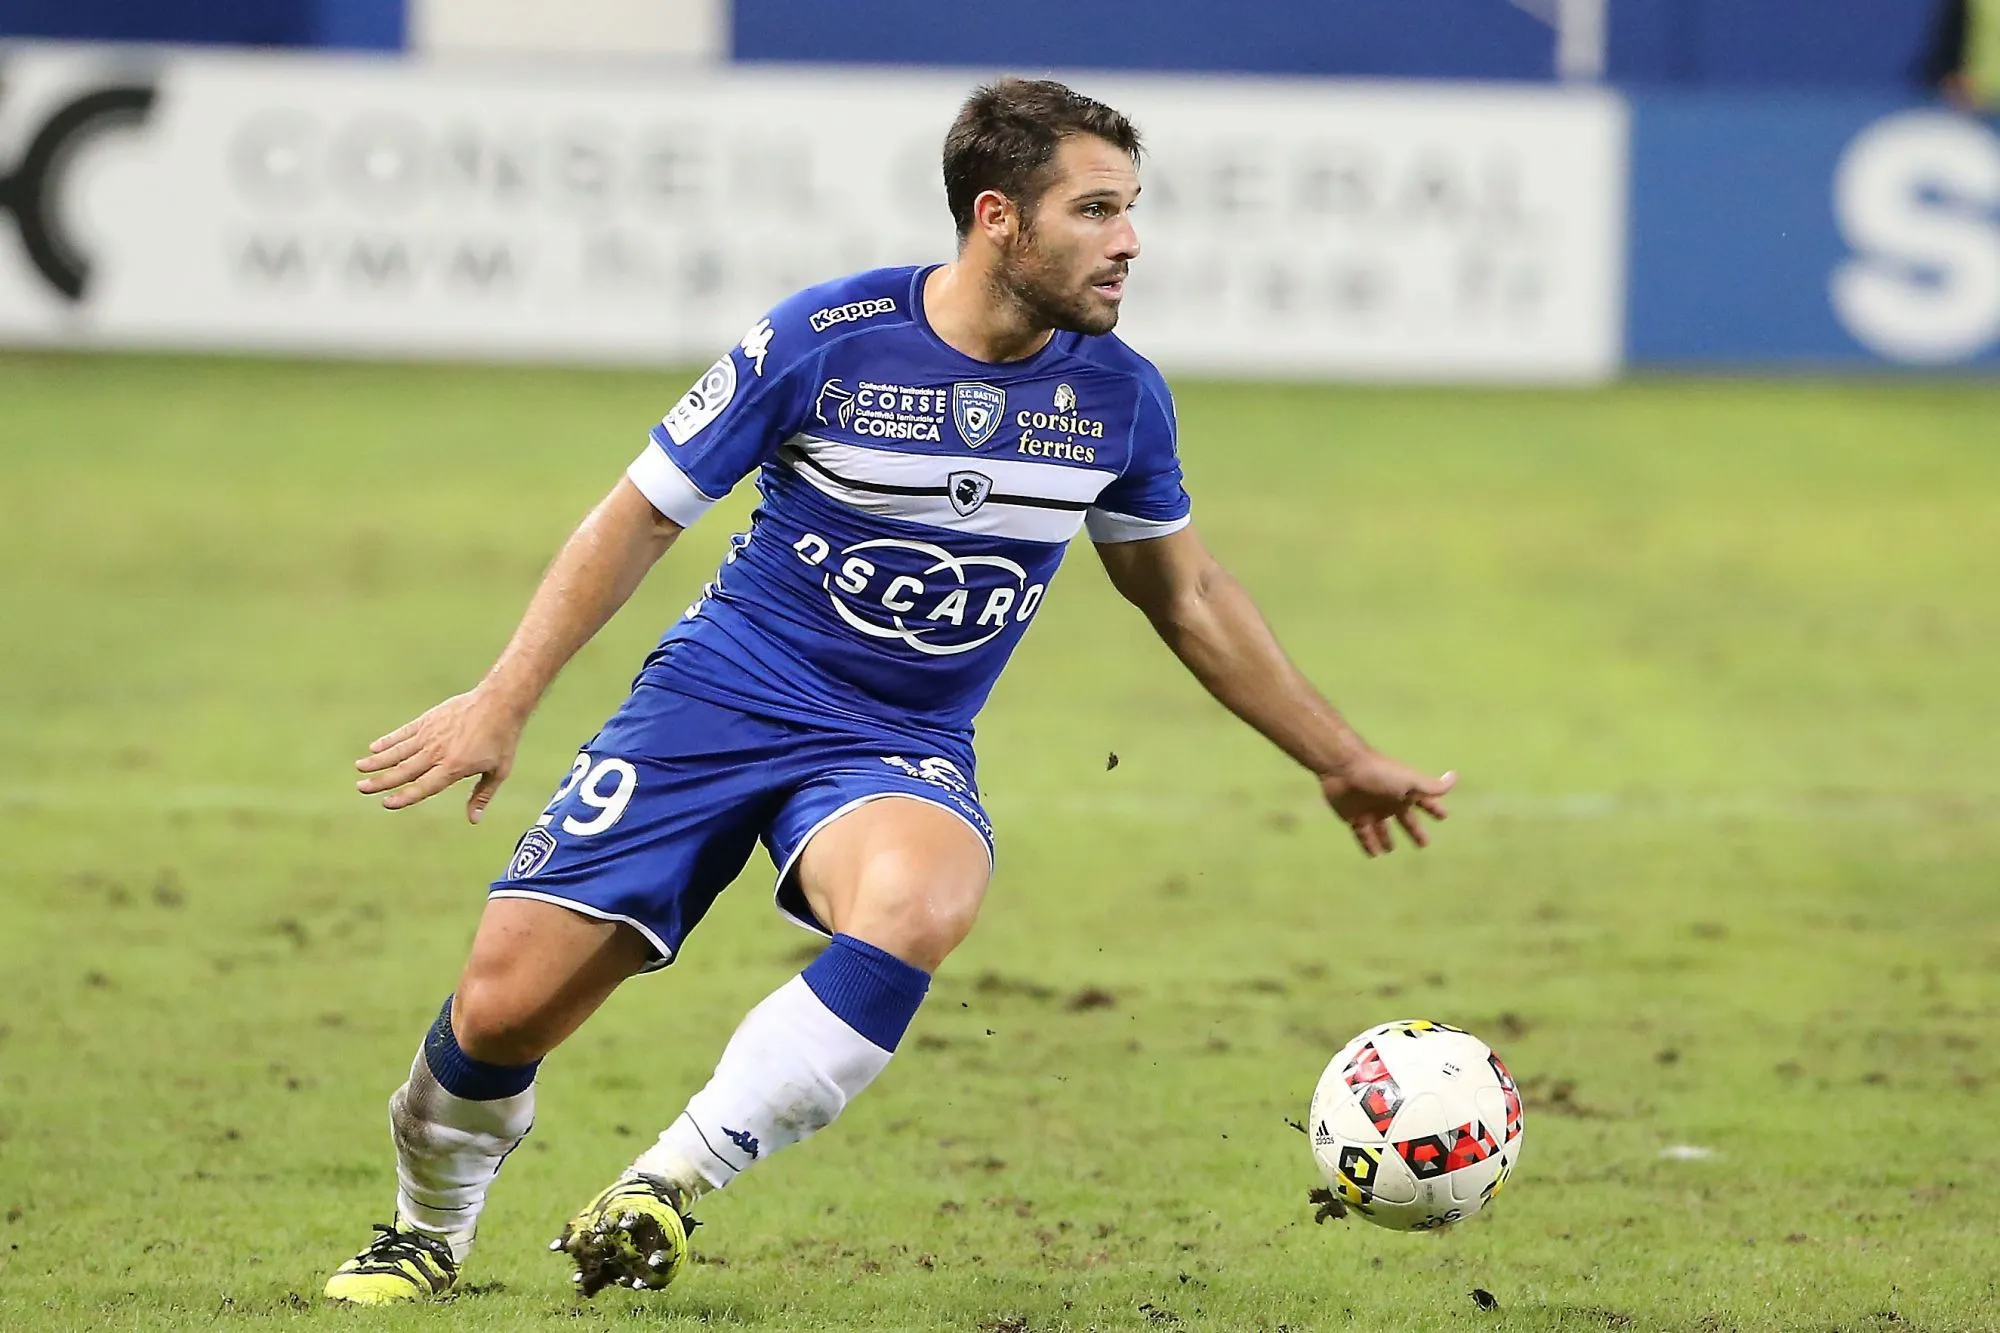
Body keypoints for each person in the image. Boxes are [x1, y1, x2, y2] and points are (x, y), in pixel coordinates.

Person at [321, 76, 1456, 1305]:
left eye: (1130, 208)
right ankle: (424, 1231)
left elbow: (1184, 596)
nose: (1129, 240)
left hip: (895, 740)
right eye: (1094, 209)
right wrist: (502, 698)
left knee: (919, 899)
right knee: (501, 1008)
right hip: (717, 698)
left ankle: (665, 1184)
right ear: (997, 217)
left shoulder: (1116, 397)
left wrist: (1335, 754)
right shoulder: (826, 339)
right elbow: (639, 515)